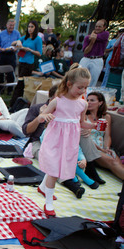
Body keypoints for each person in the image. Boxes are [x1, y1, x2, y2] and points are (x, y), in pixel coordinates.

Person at [38, 64, 97, 217]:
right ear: (69, 84)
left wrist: (94, 125)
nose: (83, 91)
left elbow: (81, 122)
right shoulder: (57, 101)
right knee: (53, 170)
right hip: (55, 139)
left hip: (70, 141)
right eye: (80, 87)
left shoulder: (83, 104)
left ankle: (43, 188)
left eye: (86, 87)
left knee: (57, 166)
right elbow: (42, 115)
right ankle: (49, 202)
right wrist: (46, 116)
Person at [22, 85, 86, 198]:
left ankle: (44, 187)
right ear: (52, 98)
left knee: (64, 160)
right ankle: (72, 185)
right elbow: (26, 131)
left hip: (59, 142)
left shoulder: (69, 109)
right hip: (38, 142)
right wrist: (39, 117)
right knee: (53, 164)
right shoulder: (38, 108)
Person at [84, 91, 124, 180]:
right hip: (90, 147)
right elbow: (84, 136)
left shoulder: (106, 117)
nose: (89, 102)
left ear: (100, 102)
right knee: (113, 162)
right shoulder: (84, 116)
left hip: (102, 146)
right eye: (87, 100)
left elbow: (107, 136)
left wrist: (107, 148)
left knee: (115, 159)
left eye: (92, 100)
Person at [9, 20, 43, 108]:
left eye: (32, 27)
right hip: (22, 61)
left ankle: (13, 104)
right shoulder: (25, 37)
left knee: (21, 83)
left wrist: (29, 50)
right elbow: (13, 43)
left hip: (29, 63)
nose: (30, 29)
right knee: (20, 83)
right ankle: (17, 103)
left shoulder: (37, 39)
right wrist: (18, 42)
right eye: (29, 27)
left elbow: (39, 53)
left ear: (35, 28)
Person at [79, 19, 110, 87]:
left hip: (97, 59)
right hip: (86, 58)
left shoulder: (106, 34)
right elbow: (86, 51)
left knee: (93, 80)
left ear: (104, 27)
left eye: (100, 26)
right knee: (79, 76)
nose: (97, 28)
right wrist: (92, 43)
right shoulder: (87, 37)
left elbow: (94, 37)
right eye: (96, 26)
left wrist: (93, 37)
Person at [0, 19, 21, 90]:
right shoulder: (1, 34)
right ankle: (0, 88)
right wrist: (1, 49)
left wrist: (16, 48)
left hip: (11, 54)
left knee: (10, 72)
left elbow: (19, 44)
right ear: (7, 25)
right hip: (2, 54)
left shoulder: (17, 33)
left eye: (13, 25)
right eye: (10, 25)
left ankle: (10, 89)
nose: (11, 27)